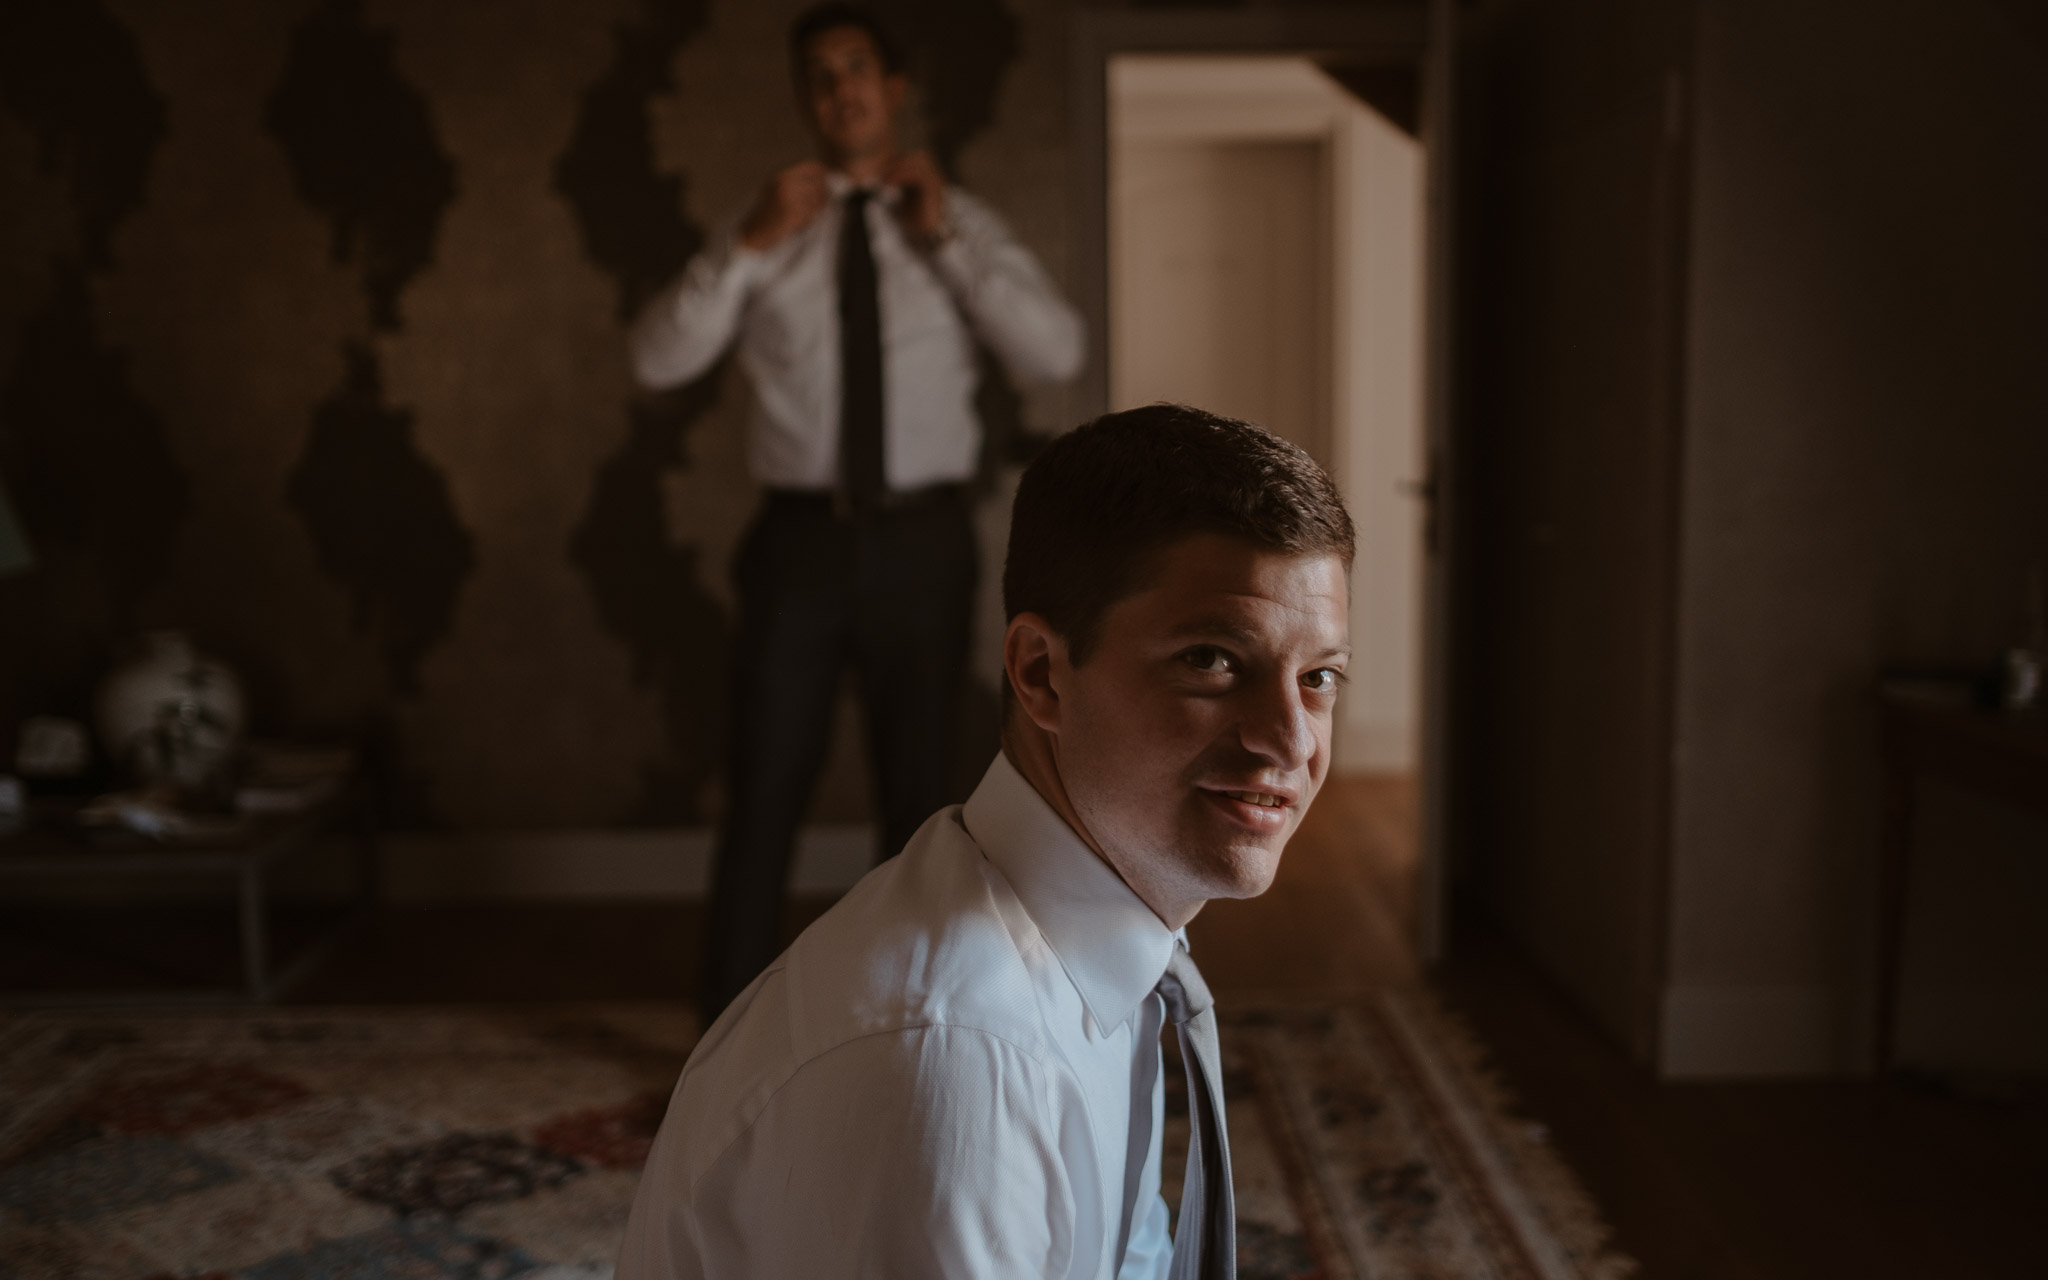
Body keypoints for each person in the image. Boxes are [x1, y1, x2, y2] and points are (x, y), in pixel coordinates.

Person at [616, 404, 1355, 1280]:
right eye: (1212, 661)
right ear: (1041, 673)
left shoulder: (1098, 937)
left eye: (1318, 678)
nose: (1290, 739)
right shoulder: (961, 1062)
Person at [629, 2, 1084, 1020]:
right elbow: (657, 357)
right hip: (795, 542)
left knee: (925, 803)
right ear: (805, 100)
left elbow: (1055, 353)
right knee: (762, 790)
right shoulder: (764, 235)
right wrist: (745, 246)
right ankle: (721, 1044)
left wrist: (949, 237)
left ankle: (914, 1032)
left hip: (924, 542)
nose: (840, 89)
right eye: (819, 75)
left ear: (894, 88)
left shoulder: (955, 220)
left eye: (856, 69)